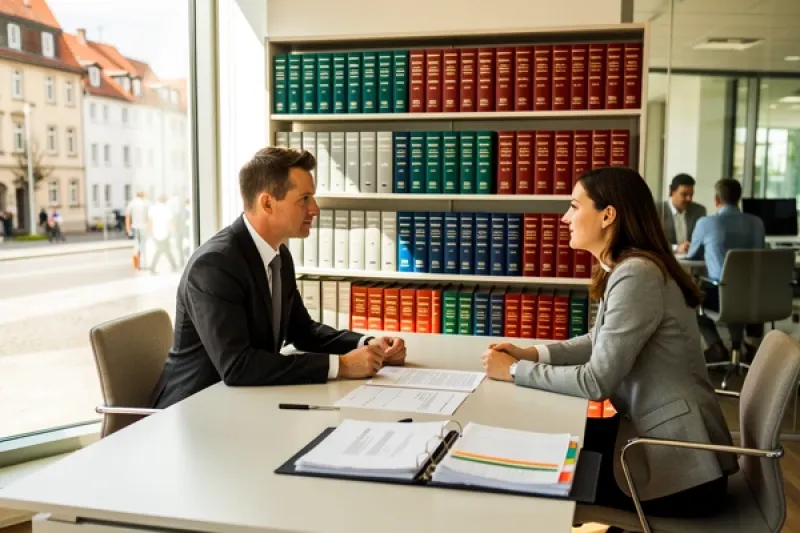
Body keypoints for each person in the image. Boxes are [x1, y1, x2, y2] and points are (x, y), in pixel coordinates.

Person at [481, 167, 737, 519]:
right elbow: (597, 340)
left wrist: (514, 370)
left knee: (527, 476)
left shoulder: (637, 274)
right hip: (659, 443)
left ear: (608, 215)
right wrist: (531, 353)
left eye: (574, 206)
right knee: (539, 442)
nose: (565, 218)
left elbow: (595, 382)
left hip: (680, 471)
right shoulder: (629, 266)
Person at [150, 147, 407, 409]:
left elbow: (304, 331)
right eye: (304, 199)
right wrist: (341, 366)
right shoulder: (215, 265)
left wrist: (368, 345)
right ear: (267, 203)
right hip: (190, 412)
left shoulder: (279, 256)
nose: (315, 209)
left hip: (242, 404)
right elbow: (238, 366)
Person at [685, 178, 766, 362]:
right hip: (755, 296)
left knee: (691, 297)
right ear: (739, 198)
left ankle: (716, 346)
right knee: (736, 290)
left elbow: (692, 256)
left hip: (722, 296)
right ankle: (742, 346)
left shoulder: (706, 223)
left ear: (716, 199)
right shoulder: (757, 223)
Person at [660, 173, 706, 253]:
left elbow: (703, 239)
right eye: (684, 194)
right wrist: (675, 248)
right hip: (665, 260)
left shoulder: (699, 211)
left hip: (692, 262)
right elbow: (651, 242)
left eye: (691, 195)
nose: (689, 199)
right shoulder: (658, 210)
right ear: (672, 192)